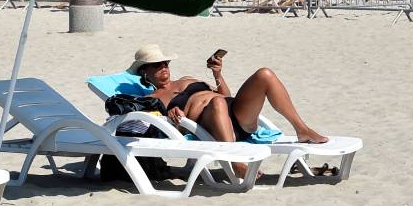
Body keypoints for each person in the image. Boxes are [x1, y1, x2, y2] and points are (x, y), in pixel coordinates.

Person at [129, 44, 327, 177]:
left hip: (235, 115)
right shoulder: (151, 100)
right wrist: (172, 117)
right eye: (157, 65)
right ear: (144, 71)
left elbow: (225, 94)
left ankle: (302, 129)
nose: (164, 68)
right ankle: (235, 162)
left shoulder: (188, 79)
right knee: (216, 103)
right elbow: (159, 126)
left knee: (264, 74)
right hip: (210, 125)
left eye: (166, 63)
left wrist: (217, 74)